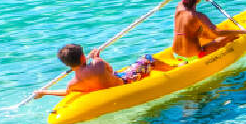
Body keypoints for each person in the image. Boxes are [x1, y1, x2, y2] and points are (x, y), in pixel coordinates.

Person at [31, 43, 172, 98]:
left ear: (67, 64)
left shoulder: (73, 83)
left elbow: (67, 93)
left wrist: (44, 92)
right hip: (125, 82)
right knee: (147, 58)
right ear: (82, 57)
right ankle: (174, 69)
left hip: (103, 86)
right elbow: (110, 70)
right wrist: (96, 57)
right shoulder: (97, 63)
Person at [173, 0, 244, 59]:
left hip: (176, 54)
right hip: (195, 55)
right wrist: (243, 31)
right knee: (231, 36)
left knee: (202, 31)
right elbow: (217, 32)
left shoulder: (179, 7)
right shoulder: (198, 16)